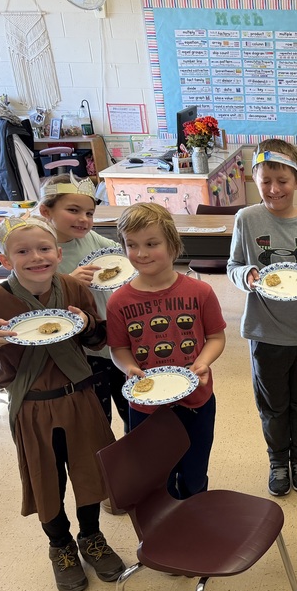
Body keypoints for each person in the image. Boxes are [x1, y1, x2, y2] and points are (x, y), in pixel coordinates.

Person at [0, 217, 125, 591]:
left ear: (58, 254)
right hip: (33, 406)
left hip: (80, 397)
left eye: (44, 249)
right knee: (46, 478)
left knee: (90, 473)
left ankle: (91, 536)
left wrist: (88, 321)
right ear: (6, 260)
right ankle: (60, 546)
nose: (36, 257)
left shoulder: (73, 287)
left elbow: (98, 338)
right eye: (23, 251)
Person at [227, 140, 297, 497]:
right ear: (254, 179)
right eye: (266, 181)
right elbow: (232, 266)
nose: (274, 189)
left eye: (283, 181)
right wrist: (245, 275)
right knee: (273, 406)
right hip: (266, 332)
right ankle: (277, 459)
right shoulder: (247, 219)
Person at [106, 203, 227, 500]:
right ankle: (164, 522)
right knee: (156, 473)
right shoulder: (119, 301)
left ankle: (195, 513)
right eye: (131, 245)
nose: (141, 253)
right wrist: (128, 368)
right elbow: (119, 348)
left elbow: (215, 337)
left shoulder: (200, 292)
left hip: (195, 399)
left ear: (172, 245)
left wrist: (202, 362)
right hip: (147, 406)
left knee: (195, 470)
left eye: (151, 244)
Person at [38, 172, 129, 427]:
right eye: (74, 210)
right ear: (46, 211)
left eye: (89, 213)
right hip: (81, 350)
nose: (83, 219)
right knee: (97, 420)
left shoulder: (89, 238)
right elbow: (35, 304)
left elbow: (122, 257)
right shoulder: (38, 251)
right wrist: (69, 281)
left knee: (131, 410)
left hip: (111, 339)